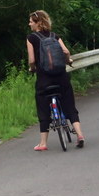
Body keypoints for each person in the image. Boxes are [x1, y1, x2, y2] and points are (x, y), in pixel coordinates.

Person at [26, 10, 85, 150]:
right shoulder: (54, 36)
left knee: (43, 108)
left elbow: (32, 60)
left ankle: (43, 143)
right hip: (61, 77)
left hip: (44, 80)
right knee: (69, 105)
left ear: (38, 23)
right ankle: (80, 135)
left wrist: (32, 68)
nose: (29, 24)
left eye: (31, 22)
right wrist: (68, 60)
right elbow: (66, 51)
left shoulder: (31, 38)